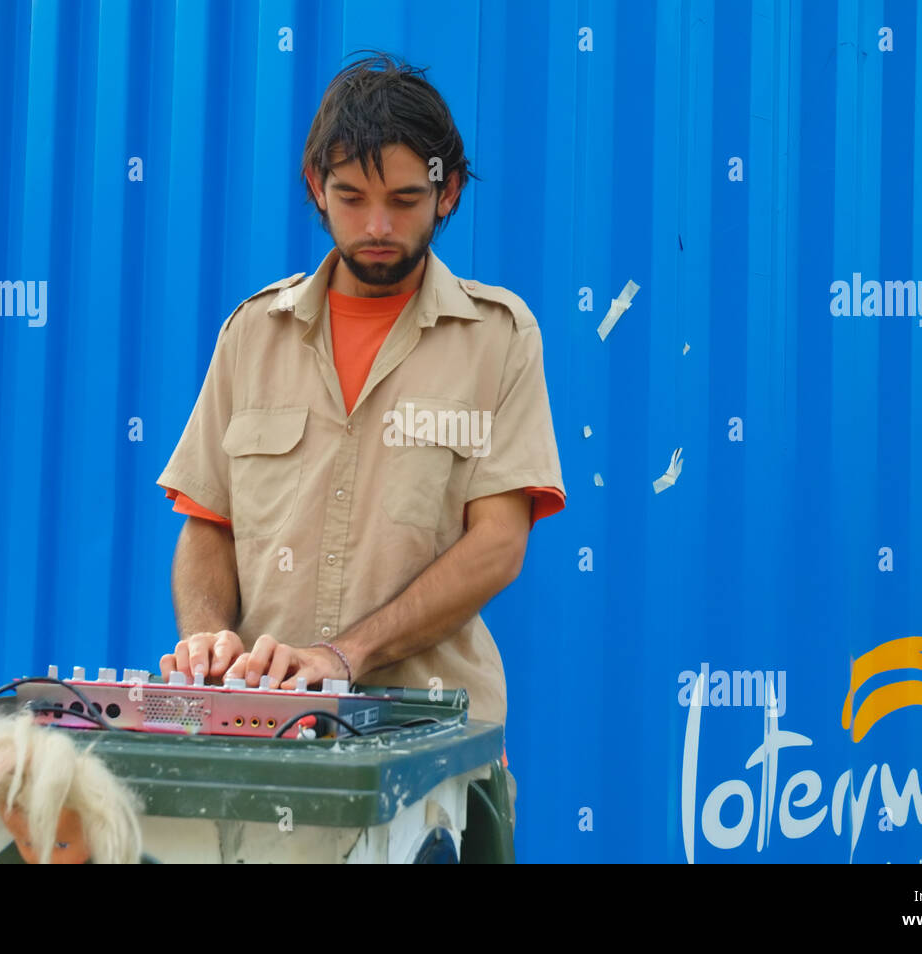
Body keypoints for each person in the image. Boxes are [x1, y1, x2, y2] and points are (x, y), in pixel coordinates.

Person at [156, 51, 565, 825]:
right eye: (351, 197)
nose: (378, 227)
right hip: (258, 746)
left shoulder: (500, 337)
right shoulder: (252, 333)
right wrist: (207, 640)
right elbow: (208, 520)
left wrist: (342, 657)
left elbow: (499, 544)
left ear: (446, 195)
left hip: (436, 747)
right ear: (316, 187)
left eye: (406, 199)